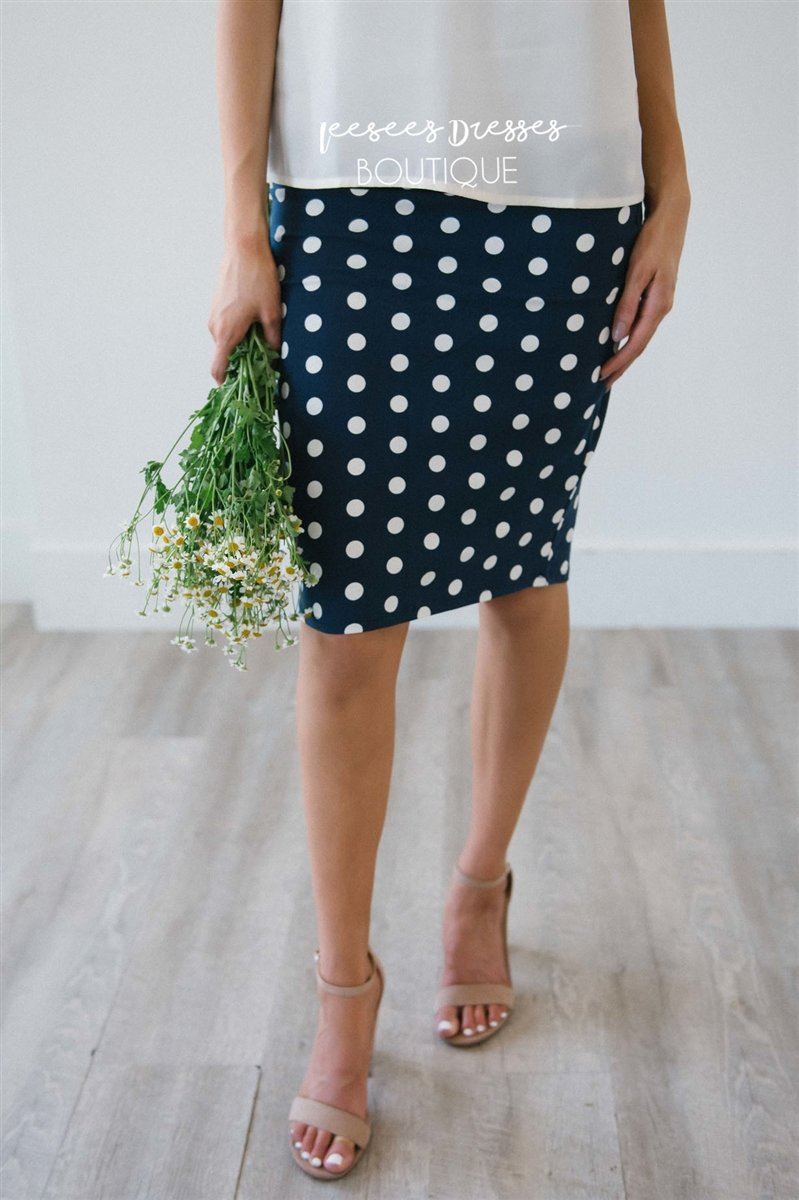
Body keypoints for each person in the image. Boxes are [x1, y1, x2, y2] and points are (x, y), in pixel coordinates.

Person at [208, 0, 690, 1181]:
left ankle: (478, 887)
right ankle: (342, 992)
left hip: (568, 194)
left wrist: (671, 183)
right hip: (344, 192)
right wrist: (240, 227)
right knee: (347, 632)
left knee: (525, 572)